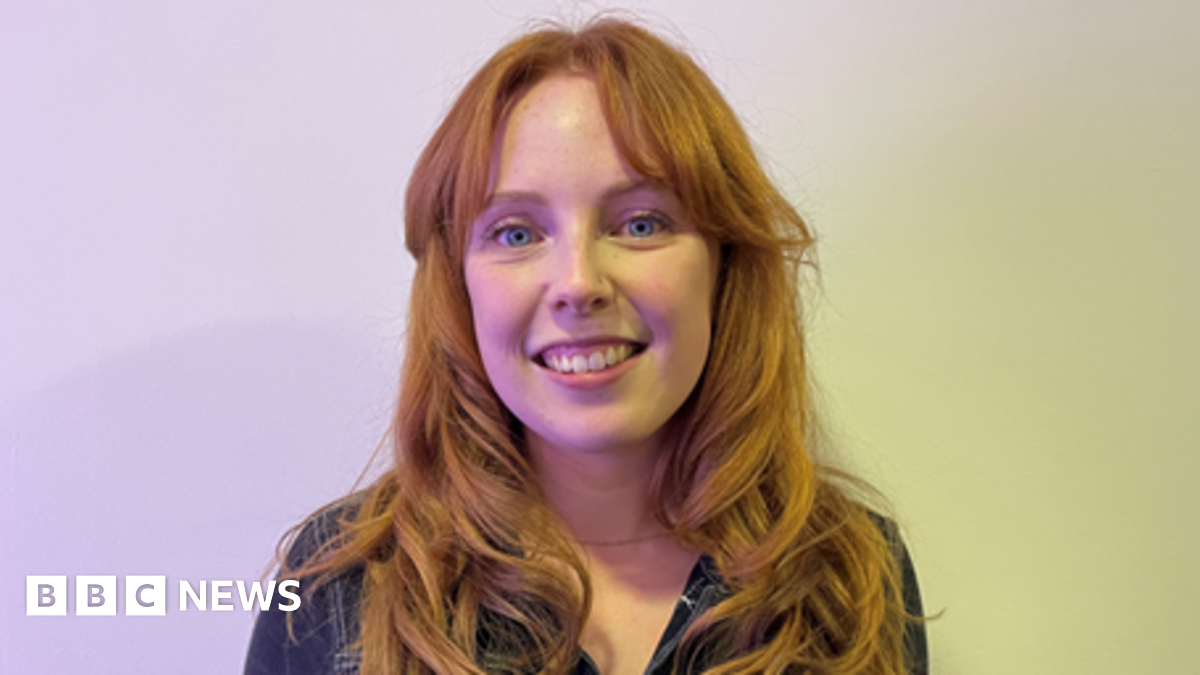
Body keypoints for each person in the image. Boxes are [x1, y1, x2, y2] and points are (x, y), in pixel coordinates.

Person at [245, 16, 927, 675]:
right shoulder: (334, 587)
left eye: (641, 223)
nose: (578, 283)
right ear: (459, 284)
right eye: (516, 233)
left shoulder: (852, 574)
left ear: (724, 266)